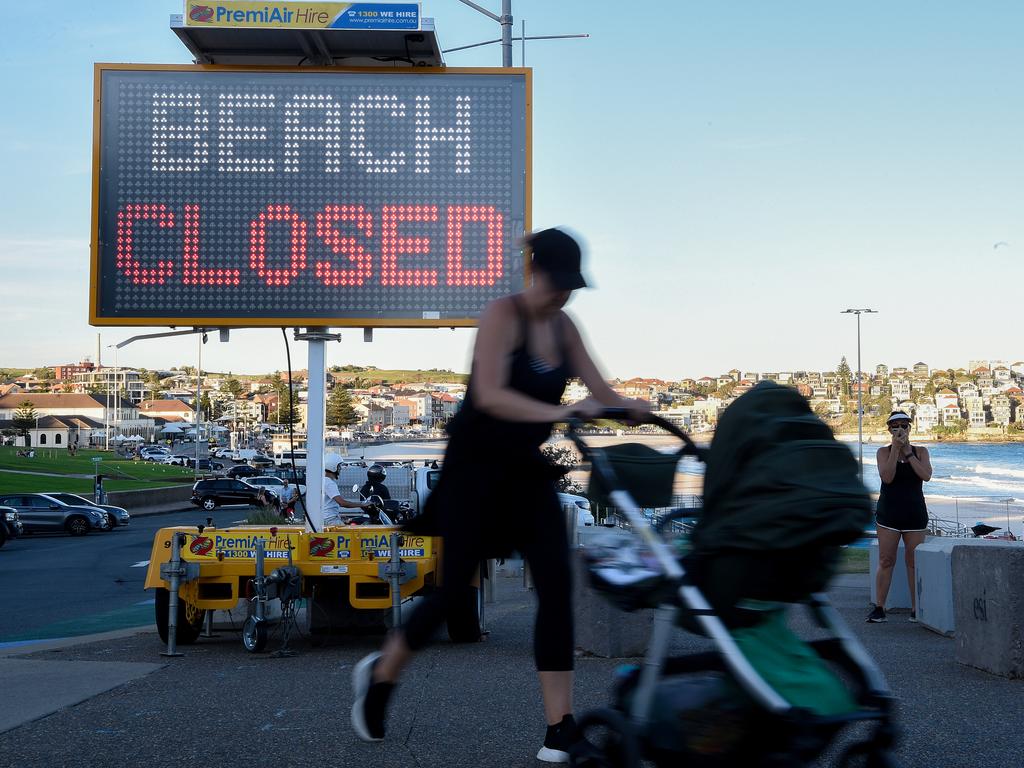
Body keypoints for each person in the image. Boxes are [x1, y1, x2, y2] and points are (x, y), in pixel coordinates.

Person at [350, 228, 648, 763]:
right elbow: (489, 395)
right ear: (533, 271)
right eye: (555, 283)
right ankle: (381, 675)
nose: (562, 294)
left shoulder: (564, 326)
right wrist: (561, 413)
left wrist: (629, 406)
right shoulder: (502, 316)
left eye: (571, 286)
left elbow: (599, 391)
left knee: (556, 586)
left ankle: (559, 729)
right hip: (474, 470)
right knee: (449, 595)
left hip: (524, 472)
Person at [868, 411, 932, 623]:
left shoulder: (921, 451)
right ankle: (879, 607)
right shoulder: (883, 452)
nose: (900, 430)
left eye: (904, 426)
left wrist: (908, 452)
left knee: (913, 562)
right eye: (895, 426)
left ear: (910, 428)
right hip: (889, 514)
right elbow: (887, 477)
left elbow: (926, 475)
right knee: (886, 560)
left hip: (914, 514)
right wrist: (896, 449)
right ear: (889, 430)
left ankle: (916, 608)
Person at [323, 453, 369, 526]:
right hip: (330, 520)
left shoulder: (323, 481)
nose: (340, 469)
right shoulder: (329, 483)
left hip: (325, 518)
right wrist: (363, 504)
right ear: (333, 467)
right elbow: (342, 503)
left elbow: (327, 504)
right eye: (339, 467)